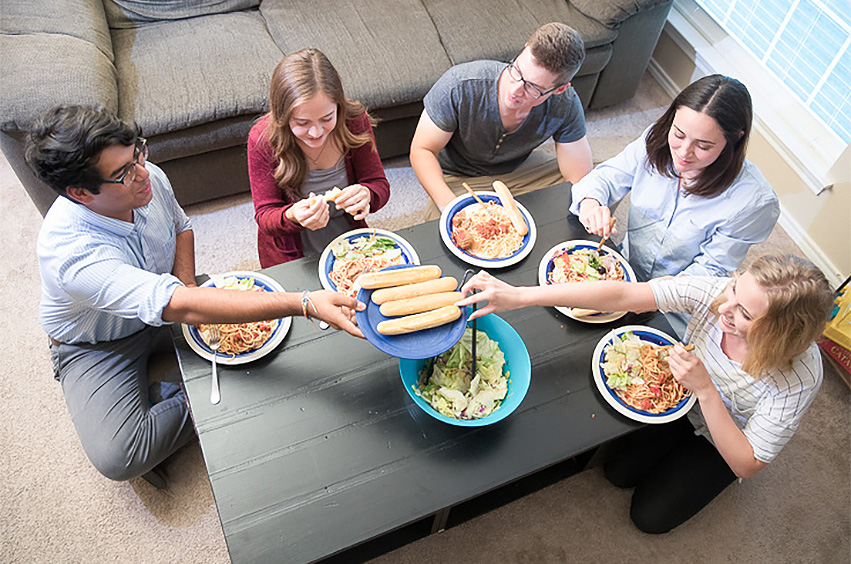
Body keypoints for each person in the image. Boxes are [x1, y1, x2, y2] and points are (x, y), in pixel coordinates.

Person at [27, 105, 364, 489]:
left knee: (263, 337)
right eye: (123, 173)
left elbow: (182, 229)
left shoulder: (145, 176)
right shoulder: (70, 254)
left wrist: (186, 283)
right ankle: (191, 395)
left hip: (173, 292)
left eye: (138, 152)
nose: (142, 173)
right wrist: (304, 302)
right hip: (98, 341)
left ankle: (197, 378)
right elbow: (178, 305)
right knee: (120, 455)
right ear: (80, 192)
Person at [457, 254, 834, 533]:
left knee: (650, 518)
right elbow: (626, 295)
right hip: (677, 400)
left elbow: (747, 463)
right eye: (735, 288)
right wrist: (521, 296)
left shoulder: (797, 378)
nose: (726, 307)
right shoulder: (720, 294)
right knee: (616, 471)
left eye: (746, 315)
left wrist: (706, 391)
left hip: (724, 439)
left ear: (780, 334)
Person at [571, 74, 780, 282]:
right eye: (679, 134)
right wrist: (591, 204)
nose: (684, 152)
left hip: (675, 299)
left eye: (703, 146)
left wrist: (652, 293)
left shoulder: (753, 202)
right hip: (623, 267)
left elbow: (711, 269)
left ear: (735, 139)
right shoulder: (656, 140)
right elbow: (606, 178)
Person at [411, 22, 593, 221]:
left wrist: (589, 204)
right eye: (517, 71)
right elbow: (422, 150)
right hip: (459, 176)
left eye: (532, 87)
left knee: (599, 186)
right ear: (524, 50)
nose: (515, 89)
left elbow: (579, 178)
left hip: (519, 170)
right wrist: (450, 207)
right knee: (441, 228)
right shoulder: (459, 85)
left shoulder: (565, 104)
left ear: (559, 89)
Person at [248, 49, 390, 268]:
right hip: (291, 253)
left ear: (339, 107)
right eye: (302, 123)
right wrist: (292, 215)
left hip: (349, 240)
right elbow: (266, 217)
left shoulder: (354, 121)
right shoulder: (262, 139)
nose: (316, 133)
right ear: (283, 117)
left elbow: (379, 185)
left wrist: (368, 194)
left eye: (327, 118)